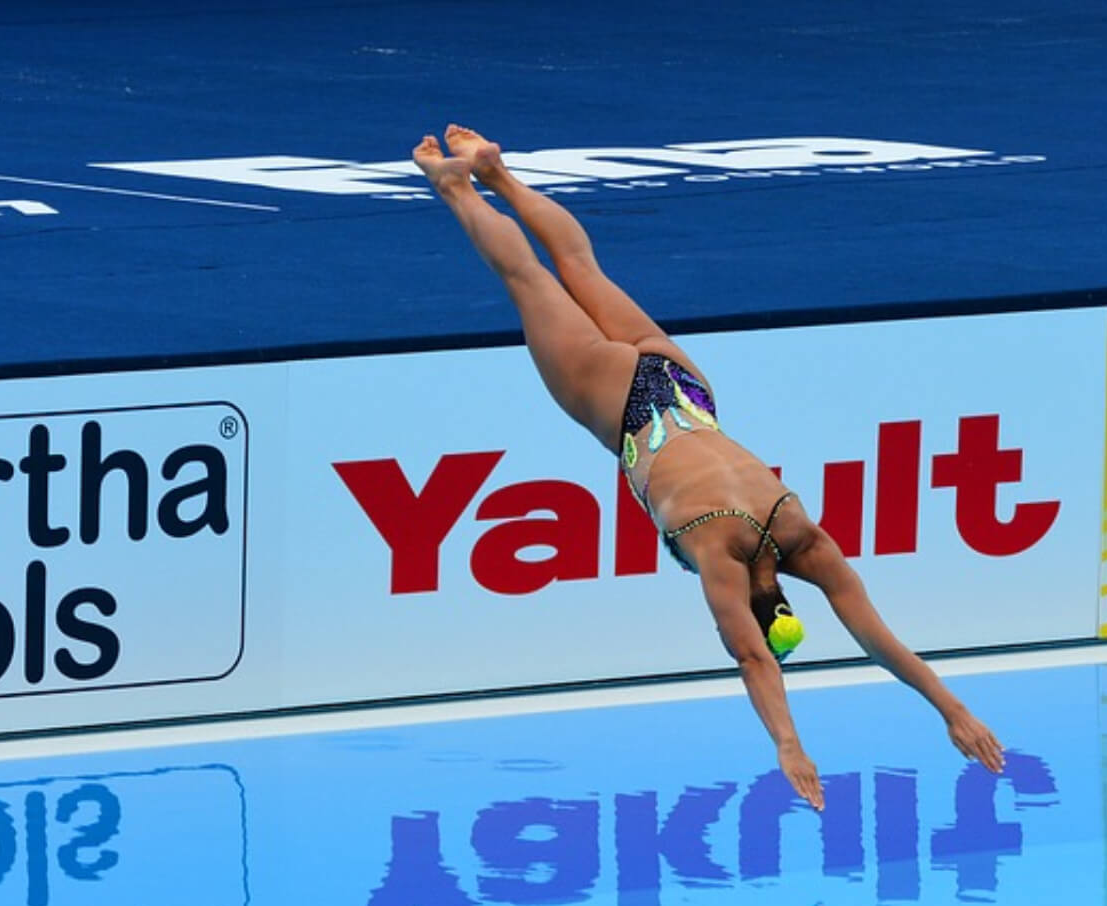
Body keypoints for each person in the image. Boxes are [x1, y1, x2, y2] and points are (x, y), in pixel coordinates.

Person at [411, 125, 1004, 809]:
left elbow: (880, 638)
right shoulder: (717, 550)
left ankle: (499, 174)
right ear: (754, 604)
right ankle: (456, 184)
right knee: (528, 280)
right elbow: (756, 658)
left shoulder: (802, 534)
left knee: (582, 266)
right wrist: (788, 744)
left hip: (684, 386)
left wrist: (953, 708)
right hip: (622, 408)